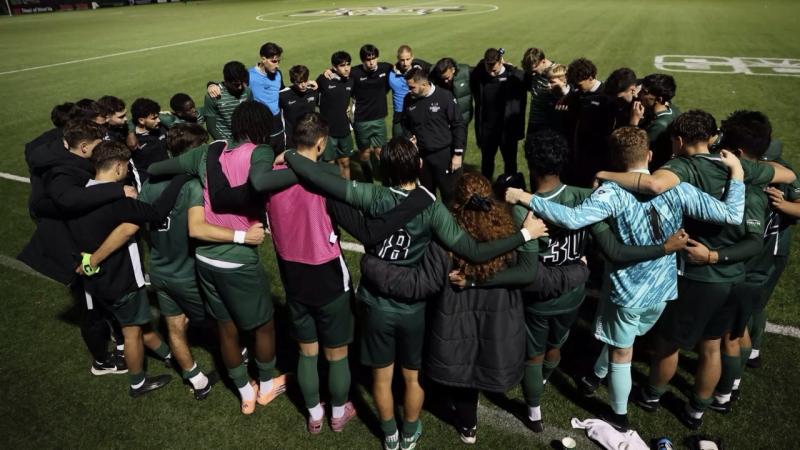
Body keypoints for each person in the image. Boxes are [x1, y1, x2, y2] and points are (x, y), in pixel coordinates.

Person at [284, 136, 546, 450]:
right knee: (412, 377)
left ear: (384, 169)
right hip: (413, 308)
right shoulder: (431, 207)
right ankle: (409, 433)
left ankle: (389, 435)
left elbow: (319, 178)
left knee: (381, 378)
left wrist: (291, 154)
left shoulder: (372, 194)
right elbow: (474, 252)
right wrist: (524, 234)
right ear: (419, 165)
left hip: (376, 303)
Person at [507, 127, 747, 431]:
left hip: (628, 291)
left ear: (615, 161)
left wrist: (524, 197)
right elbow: (732, 215)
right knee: (624, 340)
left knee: (622, 352)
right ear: (649, 155)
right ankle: (595, 376)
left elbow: (570, 219)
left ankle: (618, 416)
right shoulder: (679, 187)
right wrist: (737, 174)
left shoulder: (610, 193)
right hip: (663, 288)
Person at [595, 111, 796, 428]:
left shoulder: (682, 167)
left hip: (701, 274)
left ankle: (651, 395)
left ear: (677, 140)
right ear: (713, 138)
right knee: (713, 344)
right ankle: (701, 407)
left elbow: (652, 184)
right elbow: (787, 175)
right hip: (736, 274)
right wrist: (742, 170)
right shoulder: (735, 165)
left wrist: (604, 174)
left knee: (668, 344)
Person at [148, 101, 288, 415]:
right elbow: (261, 181)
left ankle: (245, 392)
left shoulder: (207, 152)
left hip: (205, 257)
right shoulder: (260, 152)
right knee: (264, 326)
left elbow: (157, 169)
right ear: (261, 128)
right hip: (237, 257)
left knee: (226, 327)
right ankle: (267, 386)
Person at [69, 141, 191, 397]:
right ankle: (138, 382)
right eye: (125, 167)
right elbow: (157, 212)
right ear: (117, 167)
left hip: (96, 280)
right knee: (132, 332)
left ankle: (168, 355)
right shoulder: (118, 200)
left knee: (136, 322)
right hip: (120, 278)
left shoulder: (81, 194)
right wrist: (180, 179)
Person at [401, 67, 466, 205]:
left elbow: (458, 125)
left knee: (450, 196)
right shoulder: (408, 99)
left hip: (444, 156)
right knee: (426, 196)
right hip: (422, 158)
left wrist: (457, 154)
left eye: (412, 87)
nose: (409, 90)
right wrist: (409, 140)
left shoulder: (444, 96)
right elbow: (405, 124)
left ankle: (451, 219)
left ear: (424, 84)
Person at [470, 48, 526, 181]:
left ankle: (510, 188)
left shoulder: (514, 77)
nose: (491, 73)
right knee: (486, 164)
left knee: (510, 164)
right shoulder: (479, 75)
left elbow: (528, 78)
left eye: (494, 70)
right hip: (488, 130)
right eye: (488, 68)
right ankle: (486, 189)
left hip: (508, 131)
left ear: (501, 62)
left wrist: (510, 68)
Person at [350, 44, 393, 181]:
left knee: (380, 152)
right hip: (361, 120)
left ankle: (385, 181)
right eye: (368, 59)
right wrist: (328, 71)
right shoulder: (354, 73)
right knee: (365, 153)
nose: (371, 62)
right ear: (362, 60)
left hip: (379, 118)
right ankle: (368, 180)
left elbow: (402, 66)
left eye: (374, 58)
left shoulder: (385, 68)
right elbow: (338, 74)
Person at [317, 51, 356, 179]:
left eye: (348, 64)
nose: (346, 68)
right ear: (334, 67)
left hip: (344, 129)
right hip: (328, 132)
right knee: (330, 165)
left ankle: (347, 189)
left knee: (345, 162)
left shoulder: (351, 80)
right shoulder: (323, 80)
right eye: (342, 65)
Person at [630, 74, 678, 170]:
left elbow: (632, 150)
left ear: (659, 99)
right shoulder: (671, 108)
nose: (638, 94)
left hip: (652, 169)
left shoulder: (659, 126)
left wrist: (633, 122)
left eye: (644, 92)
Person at [388, 45, 430, 137]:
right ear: (398, 59)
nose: (405, 63)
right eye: (402, 60)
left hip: (417, 109)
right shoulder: (390, 73)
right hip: (399, 113)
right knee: (398, 142)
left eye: (408, 59)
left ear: (412, 58)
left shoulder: (420, 71)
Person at [205, 61, 253, 141]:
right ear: (226, 80)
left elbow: (251, 116)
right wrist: (224, 143)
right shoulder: (213, 95)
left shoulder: (247, 91)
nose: (240, 87)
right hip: (226, 141)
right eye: (236, 85)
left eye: (242, 83)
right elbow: (211, 128)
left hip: (245, 140)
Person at [130, 97, 168, 187]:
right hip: (148, 185)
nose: (158, 120)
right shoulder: (132, 141)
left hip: (168, 179)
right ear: (141, 120)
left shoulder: (161, 128)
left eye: (158, 116)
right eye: (154, 118)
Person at [521, 48, 558, 139]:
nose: (532, 75)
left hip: (549, 125)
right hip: (533, 123)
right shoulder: (533, 72)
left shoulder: (558, 74)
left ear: (543, 61)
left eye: (534, 71)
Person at [279, 65, 318, 149]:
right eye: (299, 82)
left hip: (311, 137)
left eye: (305, 81)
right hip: (292, 141)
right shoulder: (283, 95)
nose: (303, 85)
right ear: (292, 81)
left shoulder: (313, 90)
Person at [430, 57, 473, 126]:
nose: (445, 81)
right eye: (443, 78)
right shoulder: (435, 77)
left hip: (462, 120)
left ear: (453, 70)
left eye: (447, 78)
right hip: (445, 122)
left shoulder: (465, 72)